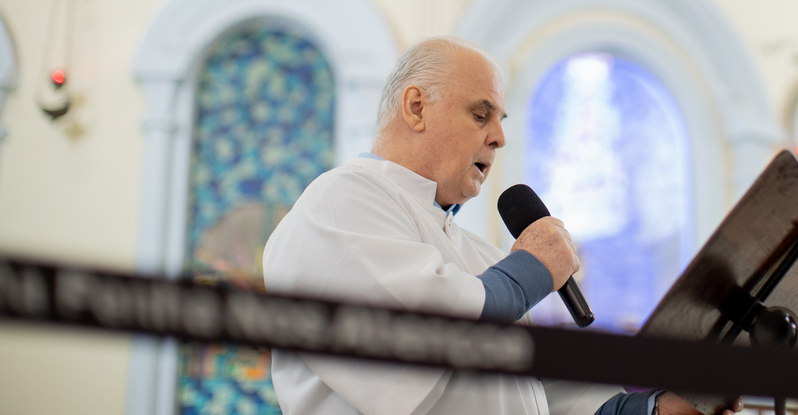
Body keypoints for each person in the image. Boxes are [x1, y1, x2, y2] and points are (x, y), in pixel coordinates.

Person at [264, 36, 739, 415]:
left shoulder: (481, 258)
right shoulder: (340, 200)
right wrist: (532, 268)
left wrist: (654, 409)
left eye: (501, 119)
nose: (500, 136)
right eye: (479, 114)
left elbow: (542, 399)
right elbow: (432, 333)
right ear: (415, 108)